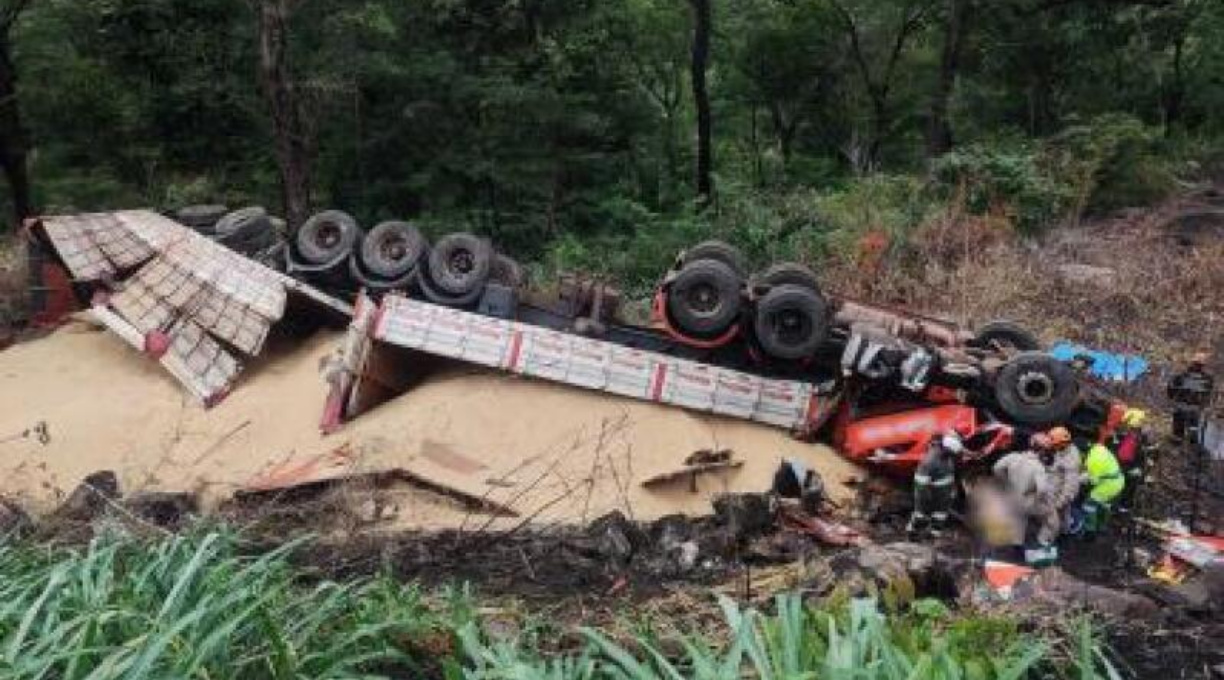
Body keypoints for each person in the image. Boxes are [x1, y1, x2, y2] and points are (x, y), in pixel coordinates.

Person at [993, 449, 1054, 564]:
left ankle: (1017, 551)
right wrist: (1039, 499)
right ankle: (1042, 544)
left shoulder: (1013, 456)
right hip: (1027, 501)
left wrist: (1005, 482)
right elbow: (1042, 489)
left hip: (1012, 496)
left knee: (1019, 520)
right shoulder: (1038, 467)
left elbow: (996, 468)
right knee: (1051, 517)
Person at [907, 432, 962, 538]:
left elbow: (950, 473)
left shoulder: (947, 456)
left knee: (940, 516)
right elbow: (921, 487)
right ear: (946, 449)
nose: (953, 456)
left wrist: (952, 489)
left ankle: (932, 536)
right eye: (952, 453)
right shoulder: (928, 462)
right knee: (920, 516)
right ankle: (912, 535)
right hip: (929, 495)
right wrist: (927, 501)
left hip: (943, 494)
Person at [1036, 427, 1082, 545]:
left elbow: (1071, 484)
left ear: (1062, 443)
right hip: (1055, 489)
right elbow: (1056, 468)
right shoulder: (1062, 450)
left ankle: (1047, 542)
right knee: (1063, 516)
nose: (1053, 447)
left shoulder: (1071, 459)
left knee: (1054, 519)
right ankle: (1063, 535)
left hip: (1060, 494)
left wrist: (1061, 501)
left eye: (1055, 444)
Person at [1078, 442, 1125, 536]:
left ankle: (1089, 531)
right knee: (1104, 504)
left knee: (1089, 504)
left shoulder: (1093, 461)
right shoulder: (1098, 448)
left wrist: (1081, 478)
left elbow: (1093, 482)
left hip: (1109, 485)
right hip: (1119, 480)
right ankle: (1102, 527)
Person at [1167, 352, 1215, 443]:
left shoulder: (1181, 376)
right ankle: (1192, 446)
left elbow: (1171, 388)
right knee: (1193, 431)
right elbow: (1208, 393)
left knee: (1177, 432)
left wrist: (1172, 398)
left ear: (1192, 363)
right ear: (1203, 365)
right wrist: (1204, 405)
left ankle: (1177, 443)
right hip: (1195, 410)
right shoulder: (1208, 379)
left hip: (1180, 407)